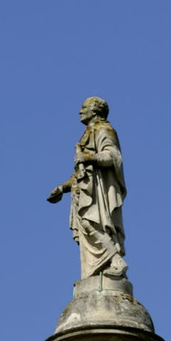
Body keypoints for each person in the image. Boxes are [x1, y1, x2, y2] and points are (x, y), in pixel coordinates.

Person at [47, 98, 127, 279]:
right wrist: (62, 188)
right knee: (86, 225)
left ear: (96, 111)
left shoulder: (104, 130)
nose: (80, 111)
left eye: (84, 107)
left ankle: (115, 259)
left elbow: (112, 156)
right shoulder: (87, 134)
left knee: (91, 223)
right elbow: (80, 174)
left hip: (98, 191)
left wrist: (89, 157)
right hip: (85, 191)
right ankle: (106, 263)